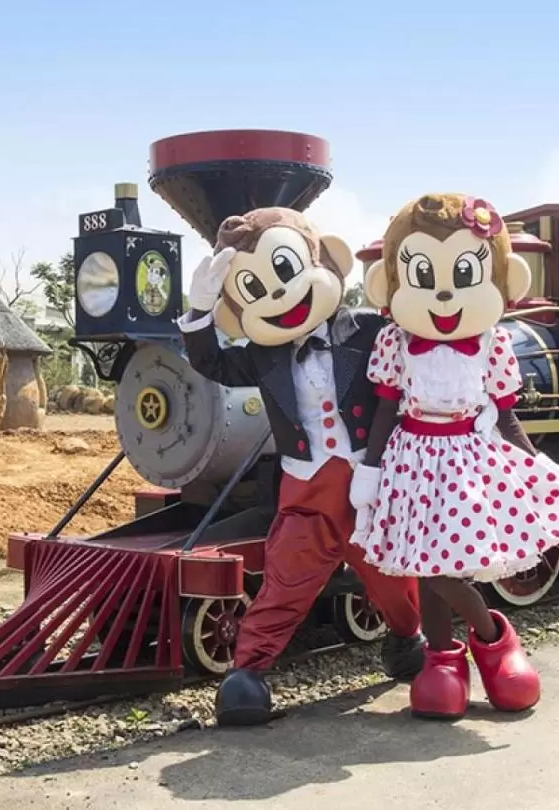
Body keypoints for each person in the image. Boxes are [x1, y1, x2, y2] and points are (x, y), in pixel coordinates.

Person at [178, 207, 426, 727]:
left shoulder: (367, 330)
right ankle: (247, 673)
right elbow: (211, 365)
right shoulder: (261, 354)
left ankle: (409, 639)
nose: (278, 298)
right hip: (304, 487)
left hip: (368, 484)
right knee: (285, 578)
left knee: (390, 578)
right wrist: (199, 312)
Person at [349, 193, 559, 720]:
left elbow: (504, 414)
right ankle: (443, 662)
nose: (442, 291)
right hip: (411, 460)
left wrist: (534, 466)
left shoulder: (492, 344)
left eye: (462, 272)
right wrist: (369, 467)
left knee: (439, 564)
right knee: (427, 563)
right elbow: (386, 409)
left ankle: (492, 640)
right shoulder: (393, 341)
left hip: (468, 461)